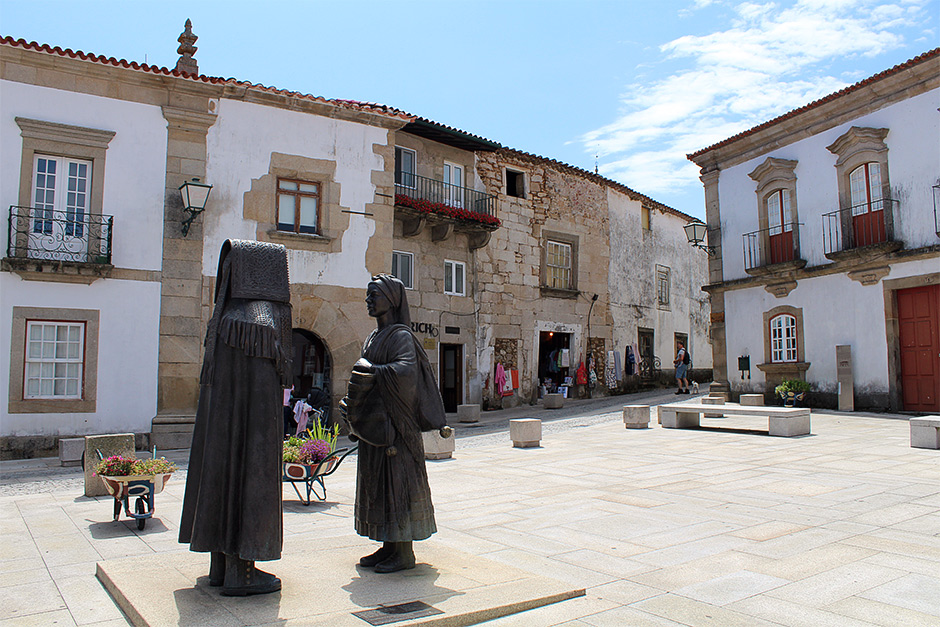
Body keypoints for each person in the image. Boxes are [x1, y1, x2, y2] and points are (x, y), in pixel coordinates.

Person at [179, 240, 292, 596]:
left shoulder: (224, 319)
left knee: (222, 475)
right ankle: (243, 570)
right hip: (252, 431)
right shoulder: (262, 322)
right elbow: (258, 406)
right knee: (248, 476)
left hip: (222, 434)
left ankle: (220, 565)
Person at [340, 274, 447, 573]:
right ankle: (388, 544)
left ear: (392, 299)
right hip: (377, 427)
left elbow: (405, 373)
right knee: (379, 485)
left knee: (398, 484)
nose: (368, 300)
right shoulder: (372, 337)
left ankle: (404, 552)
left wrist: (371, 372)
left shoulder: (401, 336)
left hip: (397, 429)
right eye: (368, 294)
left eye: (374, 294)